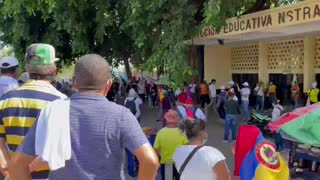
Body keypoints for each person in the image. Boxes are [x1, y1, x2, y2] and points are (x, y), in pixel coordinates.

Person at [8, 54, 159, 180]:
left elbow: (17, 164)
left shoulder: (53, 111)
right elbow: (150, 161)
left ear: (74, 82)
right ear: (109, 84)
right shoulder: (121, 115)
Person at [0, 44, 67, 179]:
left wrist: (10, 169)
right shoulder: (62, 102)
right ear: (53, 70)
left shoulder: (5, 100)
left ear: (26, 68)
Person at [154, 110, 188, 180]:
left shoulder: (161, 132)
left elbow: (156, 149)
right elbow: (186, 148)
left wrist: (160, 157)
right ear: (177, 120)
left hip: (166, 163)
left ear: (166, 120)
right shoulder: (181, 132)